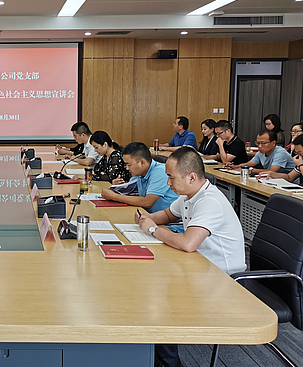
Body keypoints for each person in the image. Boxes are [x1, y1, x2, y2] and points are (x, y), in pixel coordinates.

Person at [134, 146, 246, 367]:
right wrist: (147, 218)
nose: (168, 183)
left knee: (158, 296)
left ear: (191, 177)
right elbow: (168, 214)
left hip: (224, 279)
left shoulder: (209, 201)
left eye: (171, 177)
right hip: (200, 265)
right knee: (147, 279)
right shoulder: (190, 194)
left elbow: (187, 243)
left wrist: (152, 229)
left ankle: (168, 362)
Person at [99, 142, 178, 213]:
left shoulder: (161, 171)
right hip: (148, 215)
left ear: (142, 162)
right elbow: (128, 191)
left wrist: (114, 196)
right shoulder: (139, 173)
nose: (127, 168)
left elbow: (147, 202)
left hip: (168, 221)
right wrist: (116, 187)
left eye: (129, 165)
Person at [227, 129, 295, 175]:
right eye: (258, 143)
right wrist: (235, 167)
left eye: (263, 143)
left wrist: (251, 170)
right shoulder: (260, 152)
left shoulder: (280, 153)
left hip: (289, 184)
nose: (259, 146)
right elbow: (249, 164)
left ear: (273, 143)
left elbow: (272, 171)